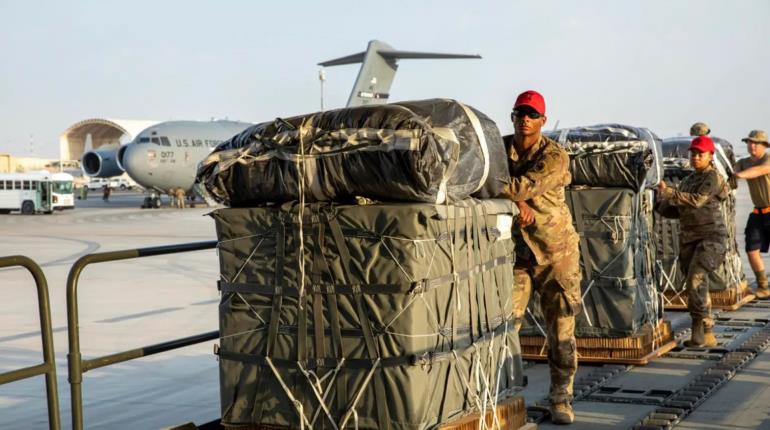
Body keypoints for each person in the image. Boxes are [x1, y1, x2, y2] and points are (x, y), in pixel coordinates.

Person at [501, 90, 582, 425]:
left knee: (561, 331)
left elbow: (520, 186)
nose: (525, 120)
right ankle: (500, 395)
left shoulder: (554, 155)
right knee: (505, 324)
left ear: (542, 121)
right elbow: (476, 179)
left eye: (532, 115)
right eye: (520, 113)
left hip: (555, 254)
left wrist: (514, 196)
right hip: (517, 254)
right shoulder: (500, 148)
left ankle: (561, 399)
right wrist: (516, 203)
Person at [656, 136, 729, 347]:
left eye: (701, 154)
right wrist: (657, 202)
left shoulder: (712, 178)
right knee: (696, 285)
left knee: (696, 278)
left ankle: (699, 330)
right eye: (693, 154)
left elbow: (697, 201)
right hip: (689, 240)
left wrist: (669, 191)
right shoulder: (688, 180)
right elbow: (676, 211)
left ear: (710, 156)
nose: (696, 158)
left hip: (711, 238)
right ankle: (706, 330)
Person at [733, 130, 770, 299]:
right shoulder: (743, 162)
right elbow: (729, 171)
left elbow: (760, 170)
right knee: (751, 249)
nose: (752, 145)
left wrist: (738, 176)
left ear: (764, 146)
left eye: (756, 143)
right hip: (758, 211)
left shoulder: (767, 160)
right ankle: (763, 286)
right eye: (749, 142)